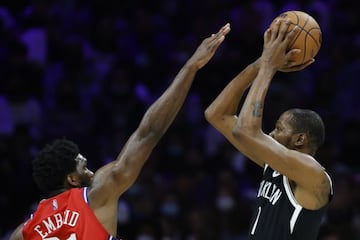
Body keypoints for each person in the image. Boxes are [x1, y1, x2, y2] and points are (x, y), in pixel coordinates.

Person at [9, 23, 231, 240]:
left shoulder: (24, 233)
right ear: (72, 179)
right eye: (83, 166)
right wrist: (191, 67)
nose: (91, 171)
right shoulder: (97, 194)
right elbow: (149, 133)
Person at [205, 19, 333, 240]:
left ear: (300, 139)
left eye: (279, 129)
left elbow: (245, 130)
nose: (271, 134)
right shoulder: (274, 166)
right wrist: (260, 63)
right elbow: (216, 115)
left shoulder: (314, 175)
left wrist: (269, 67)